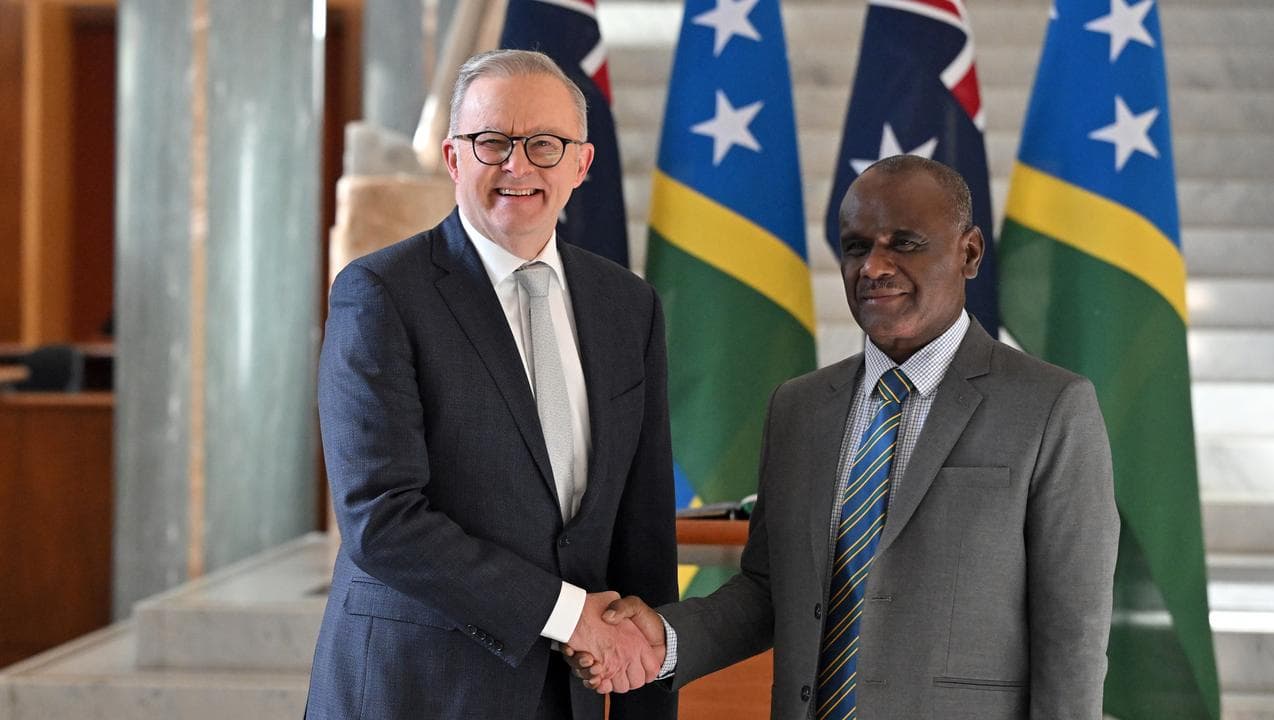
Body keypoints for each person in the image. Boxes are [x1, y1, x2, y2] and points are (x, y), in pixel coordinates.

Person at [570, 155, 1120, 719]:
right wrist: (663, 640)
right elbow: (768, 591)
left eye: (904, 243)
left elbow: (1071, 632)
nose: (874, 267)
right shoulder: (799, 408)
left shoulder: (1051, 407)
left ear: (970, 253)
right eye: (857, 247)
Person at [305, 49, 676, 720]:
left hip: (568, 698)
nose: (518, 165)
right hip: (417, 692)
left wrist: (647, 697)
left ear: (581, 164)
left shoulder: (629, 306)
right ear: (453, 158)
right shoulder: (382, 294)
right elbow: (382, 520)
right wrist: (569, 616)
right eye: (492, 142)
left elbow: (640, 530)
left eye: (543, 144)